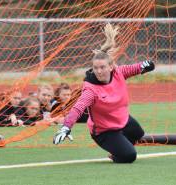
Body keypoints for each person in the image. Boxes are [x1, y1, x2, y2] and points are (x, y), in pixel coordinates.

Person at [53, 23, 155, 163]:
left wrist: (146, 65)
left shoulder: (119, 72)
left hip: (123, 121)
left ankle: (120, 142)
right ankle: (116, 152)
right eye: (96, 68)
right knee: (129, 156)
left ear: (111, 66)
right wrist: (66, 127)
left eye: (102, 67)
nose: (99, 71)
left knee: (138, 133)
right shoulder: (90, 89)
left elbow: (134, 68)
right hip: (104, 131)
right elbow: (78, 108)